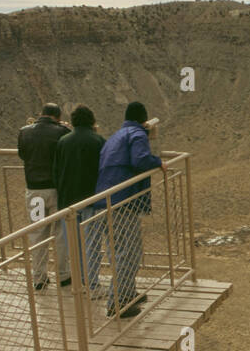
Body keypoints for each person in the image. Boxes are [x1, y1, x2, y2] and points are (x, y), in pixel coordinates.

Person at [95, 101, 165, 317]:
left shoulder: (116, 135)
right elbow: (140, 160)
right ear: (144, 120)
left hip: (107, 200)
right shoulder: (137, 134)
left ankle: (127, 292)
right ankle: (118, 303)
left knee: (119, 251)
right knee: (129, 251)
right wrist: (158, 162)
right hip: (123, 202)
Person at [17, 103, 70, 289]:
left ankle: (39, 277)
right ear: (57, 116)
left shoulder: (24, 132)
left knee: (37, 233)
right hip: (56, 191)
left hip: (34, 191)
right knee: (61, 233)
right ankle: (64, 275)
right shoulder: (61, 132)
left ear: (41, 114)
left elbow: (23, 155)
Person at [52, 104, 105, 291]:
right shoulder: (98, 141)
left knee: (73, 245)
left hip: (67, 202)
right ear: (92, 120)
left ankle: (79, 282)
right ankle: (92, 283)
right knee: (92, 244)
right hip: (92, 200)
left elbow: (56, 171)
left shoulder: (63, 141)